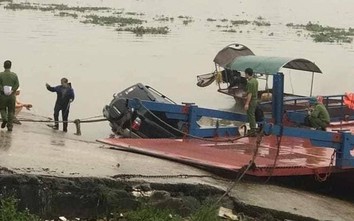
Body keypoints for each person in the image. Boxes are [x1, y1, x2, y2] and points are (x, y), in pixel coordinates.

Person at [0, 60, 20, 132]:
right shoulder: (14, 75)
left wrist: (3, 90)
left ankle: (4, 119)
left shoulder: (1, 74)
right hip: (11, 96)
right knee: (11, 111)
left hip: (2, 96)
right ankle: (10, 126)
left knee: (2, 108)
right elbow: (17, 84)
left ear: (4, 66)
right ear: (10, 66)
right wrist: (12, 90)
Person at [243, 67, 258, 136]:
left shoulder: (250, 82)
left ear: (247, 74)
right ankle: (253, 129)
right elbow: (250, 91)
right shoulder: (255, 80)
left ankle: (253, 130)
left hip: (251, 100)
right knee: (252, 114)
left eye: (245, 74)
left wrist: (247, 104)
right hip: (255, 100)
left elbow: (250, 94)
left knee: (251, 115)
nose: (244, 75)